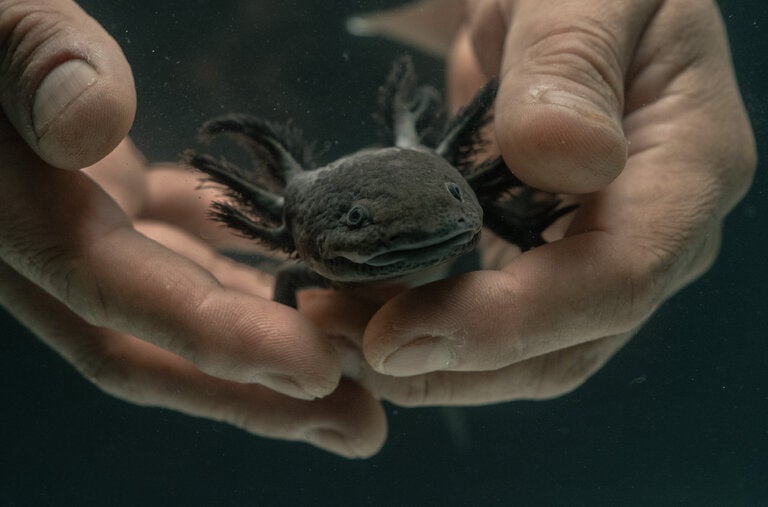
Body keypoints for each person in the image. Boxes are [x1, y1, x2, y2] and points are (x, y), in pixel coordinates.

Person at [0, 0, 755, 459]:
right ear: (278, 221)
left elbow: (475, 208)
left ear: (473, 181)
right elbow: (291, 276)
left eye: (462, 196)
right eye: (361, 224)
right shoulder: (299, 245)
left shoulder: (461, 193)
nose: (443, 219)